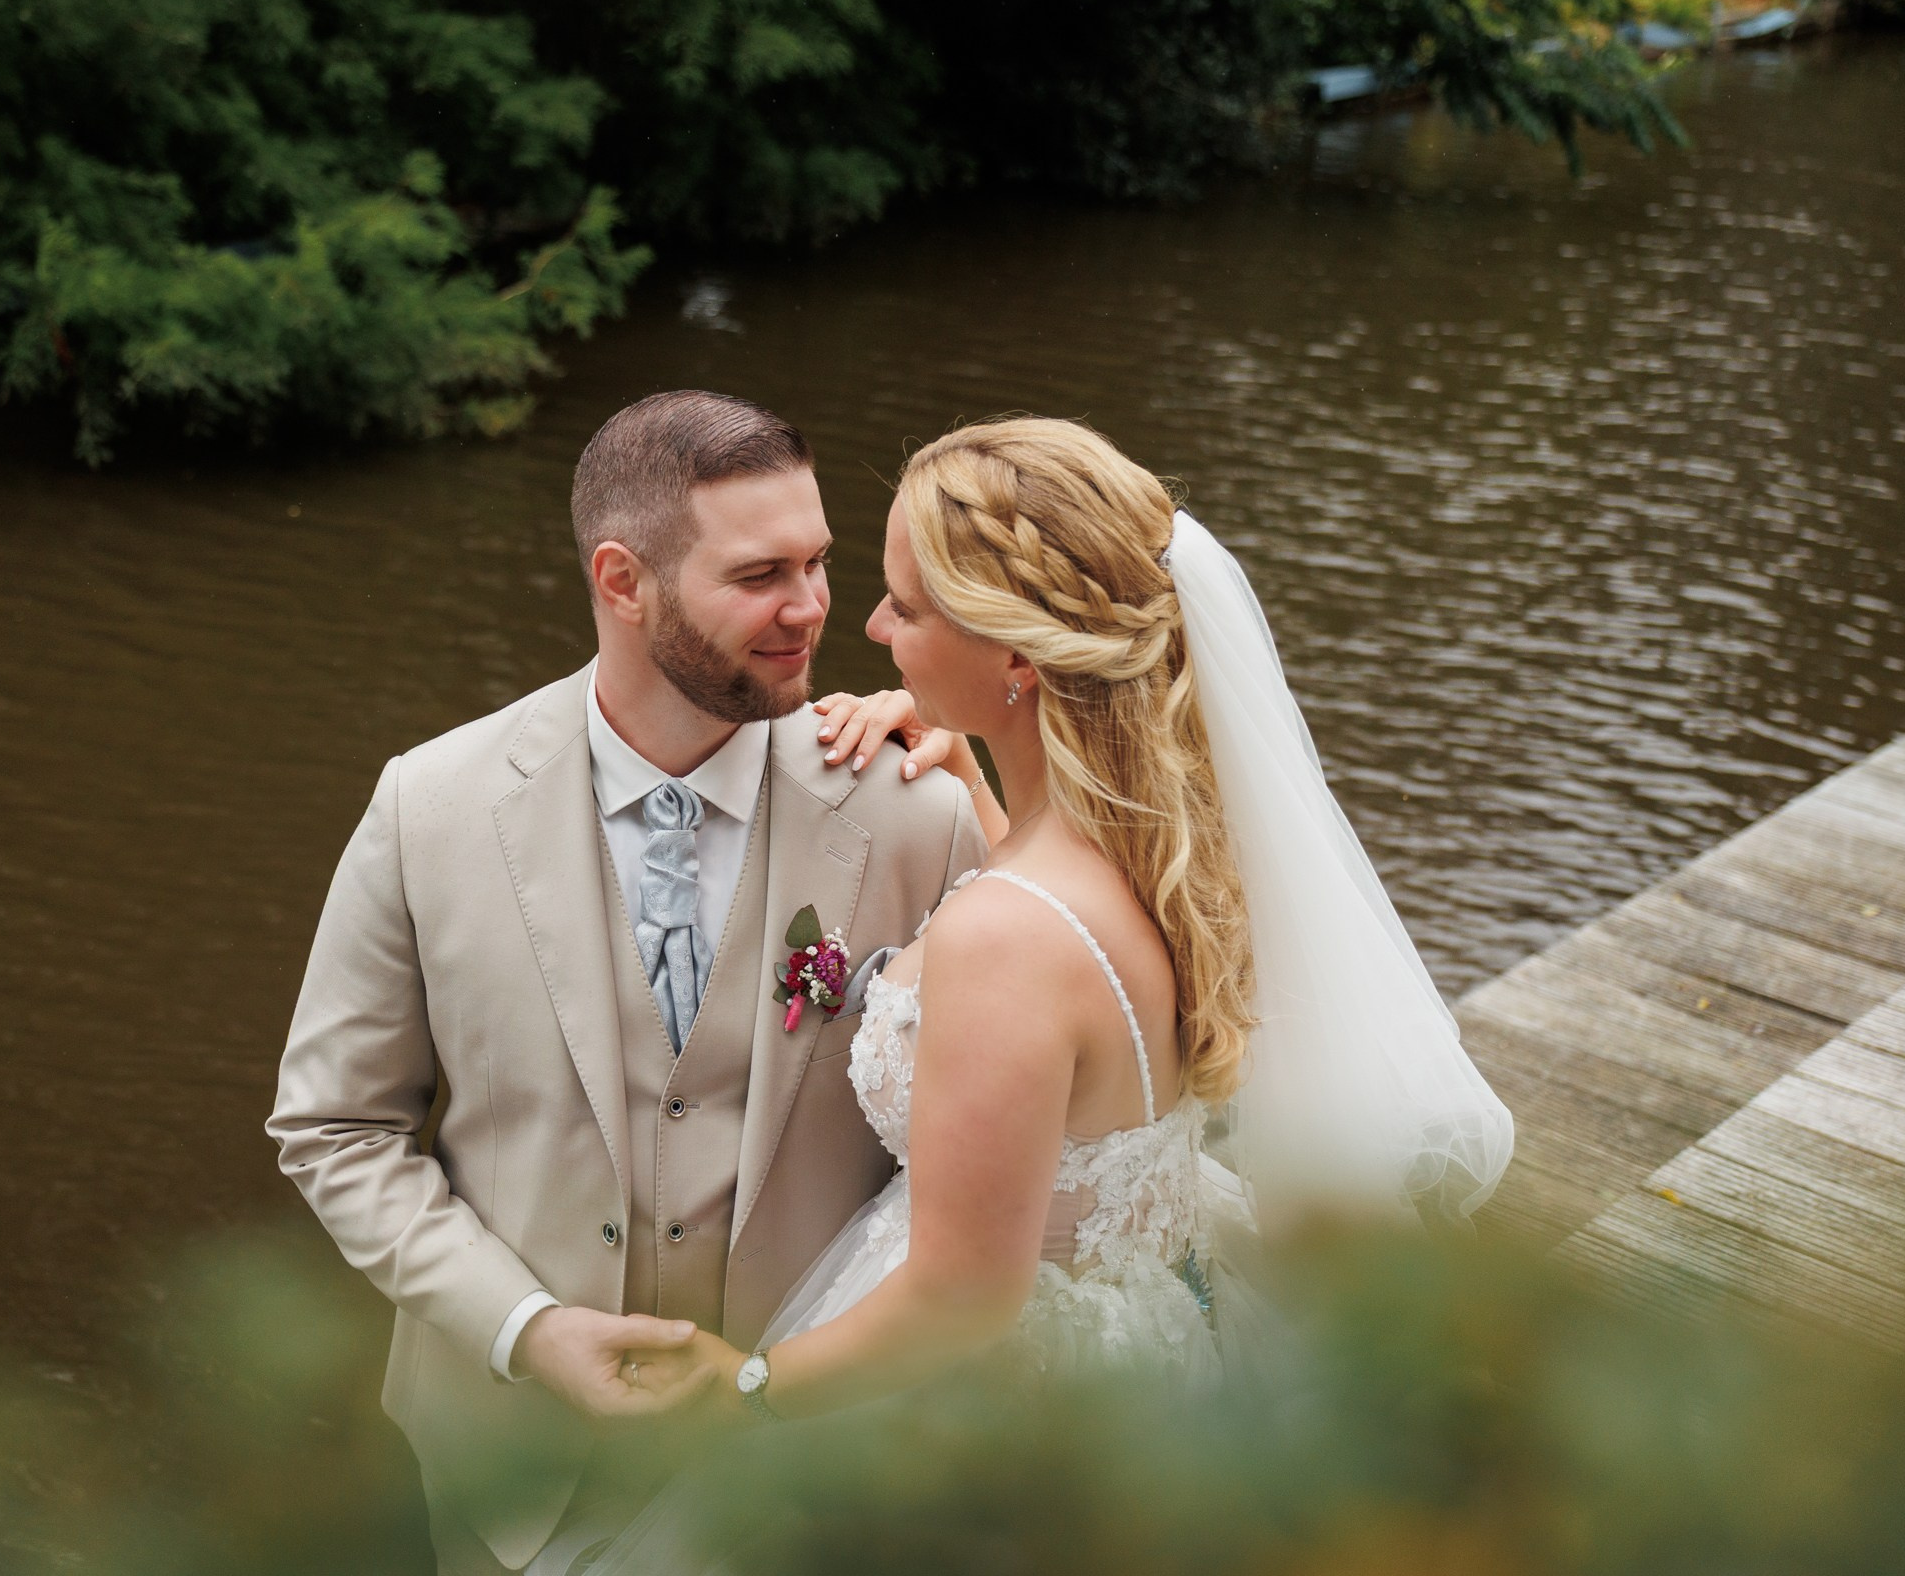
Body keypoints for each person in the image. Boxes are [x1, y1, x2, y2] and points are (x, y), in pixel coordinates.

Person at [589, 417, 1513, 1567]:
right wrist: (977, 769)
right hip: (1155, 1323)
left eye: (907, 608)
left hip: (1005, 1404)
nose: (869, 627)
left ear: (1017, 658)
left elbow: (963, 1294)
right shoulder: (1160, 847)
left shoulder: (1007, 937)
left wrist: (748, 1387)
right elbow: (1072, 972)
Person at [268, 390, 989, 1576]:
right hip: (510, 1473)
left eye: (817, 561)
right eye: (759, 575)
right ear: (622, 580)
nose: (812, 606)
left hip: (815, 1472)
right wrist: (526, 1329)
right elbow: (335, 1127)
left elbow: (1013, 1137)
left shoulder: (915, 807)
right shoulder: (429, 807)